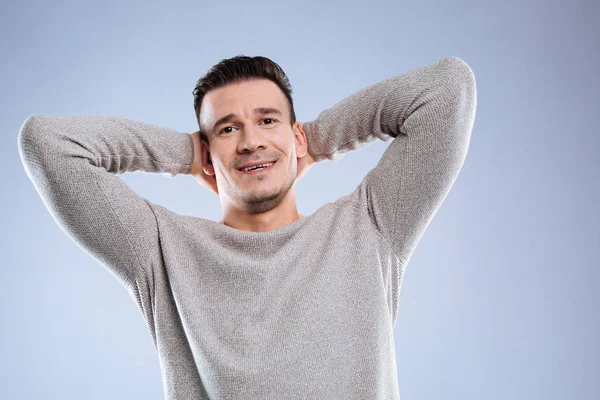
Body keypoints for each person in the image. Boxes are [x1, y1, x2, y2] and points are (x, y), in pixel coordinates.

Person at [17, 55, 477, 399]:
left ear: (293, 134)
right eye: (227, 129)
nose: (251, 140)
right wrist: (185, 154)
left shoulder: (370, 225)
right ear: (208, 151)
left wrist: (314, 143)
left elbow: (448, 87)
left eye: (267, 121)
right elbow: (48, 143)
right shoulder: (160, 250)